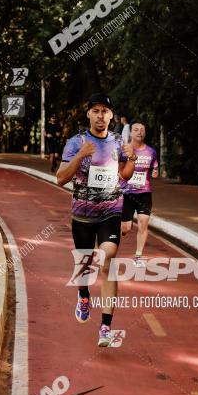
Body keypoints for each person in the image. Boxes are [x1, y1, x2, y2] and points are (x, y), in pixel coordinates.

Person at [57, 92, 137, 347]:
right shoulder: (75, 142)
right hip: (82, 214)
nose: (100, 115)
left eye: (105, 111)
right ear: (89, 114)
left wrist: (132, 159)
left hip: (111, 211)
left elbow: (124, 176)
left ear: (111, 115)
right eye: (96, 110)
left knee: (107, 257)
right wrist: (80, 155)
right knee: (85, 263)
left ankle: (105, 327)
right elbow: (61, 178)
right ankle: (83, 295)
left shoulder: (117, 142)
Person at [121, 120, 159, 265]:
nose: (139, 132)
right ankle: (122, 231)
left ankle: (138, 256)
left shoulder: (151, 151)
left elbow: (155, 167)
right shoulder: (124, 150)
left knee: (143, 222)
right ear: (131, 132)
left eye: (142, 129)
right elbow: (119, 170)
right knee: (126, 227)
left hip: (144, 192)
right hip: (127, 193)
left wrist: (155, 172)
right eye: (136, 129)